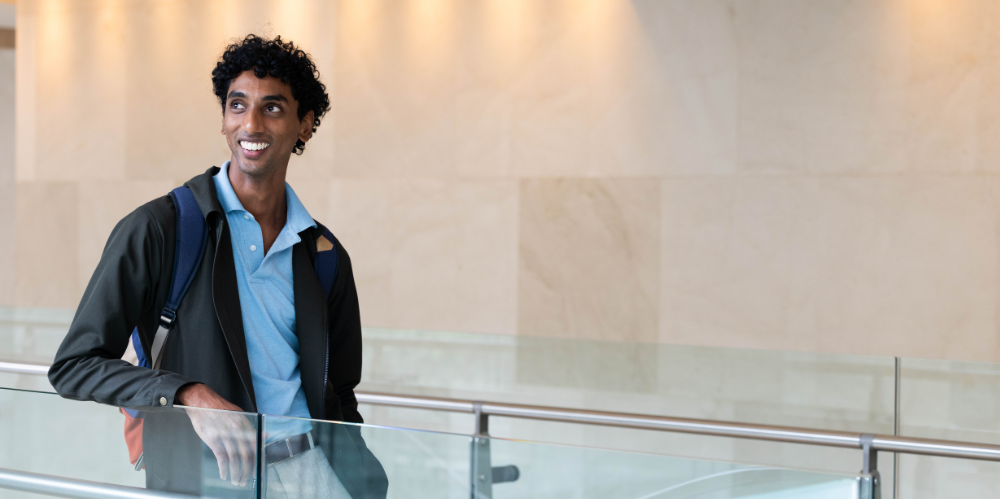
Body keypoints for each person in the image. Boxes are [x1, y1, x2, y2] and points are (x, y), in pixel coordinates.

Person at [48, 34, 386, 498]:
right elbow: (74, 365)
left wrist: (361, 478)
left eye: (272, 108)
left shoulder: (323, 254)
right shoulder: (159, 228)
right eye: (237, 105)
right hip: (204, 479)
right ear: (224, 121)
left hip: (313, 474)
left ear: (304, 125)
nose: (251, 123)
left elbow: (340, 392)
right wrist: (187, 393)